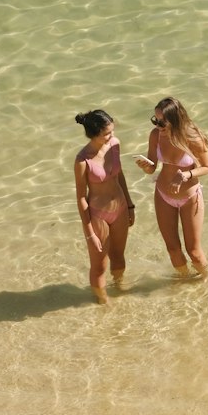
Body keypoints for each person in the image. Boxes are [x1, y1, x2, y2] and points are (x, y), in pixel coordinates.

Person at [136, 97, 208, 275]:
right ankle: (184, 282)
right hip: (163, 195)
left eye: (162, 121)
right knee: (173, 249)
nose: (158, 125)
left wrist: (186, 174)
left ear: (175, 120)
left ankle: (205, 282)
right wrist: (147, 167)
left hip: (190, 197)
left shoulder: (193, 138)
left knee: (193, 251)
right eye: (155, 120)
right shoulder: (156, 135)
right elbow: (153, 166)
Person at [73, 109, 135, 304]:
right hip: (98, 215)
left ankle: (118, 290)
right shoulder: (83, 160)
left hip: (120, 208)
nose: (112, 136)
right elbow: (81, 198)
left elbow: (120, 175)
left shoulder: (114, 145)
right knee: (99, 266)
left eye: (112, 131)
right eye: (107, 133)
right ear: (94, 134)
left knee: (119, 257)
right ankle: (103, 304)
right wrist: (89, 231)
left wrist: (130, 204)